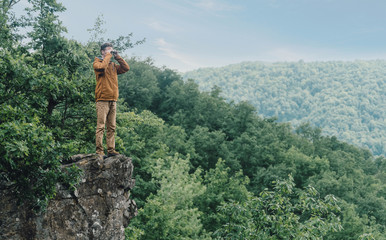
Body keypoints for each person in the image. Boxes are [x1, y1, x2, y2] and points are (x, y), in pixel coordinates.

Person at [93, 42, 130, 158]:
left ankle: (111, 149)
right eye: (108, 50)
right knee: (101, 126)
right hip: (102, 99)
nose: (110, 52)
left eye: (111, 50)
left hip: (113, 99)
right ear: (103, 52)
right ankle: (99, 151)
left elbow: (126, 68)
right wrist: (108, 56)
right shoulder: (97, 63)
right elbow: (102, 67)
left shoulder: (113, 65)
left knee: (112, 127)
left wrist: (117, 56)